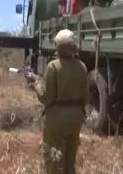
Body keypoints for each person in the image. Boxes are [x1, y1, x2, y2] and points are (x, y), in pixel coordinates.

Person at [25, 29, 88, 174]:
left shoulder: (53, 66)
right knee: (70, 161)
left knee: (54, 161)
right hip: (76, 117)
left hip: (56, 119)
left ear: (57, 47)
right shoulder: (82, 67)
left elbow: (46, 97)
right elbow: (86, 97)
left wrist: (35, 83)